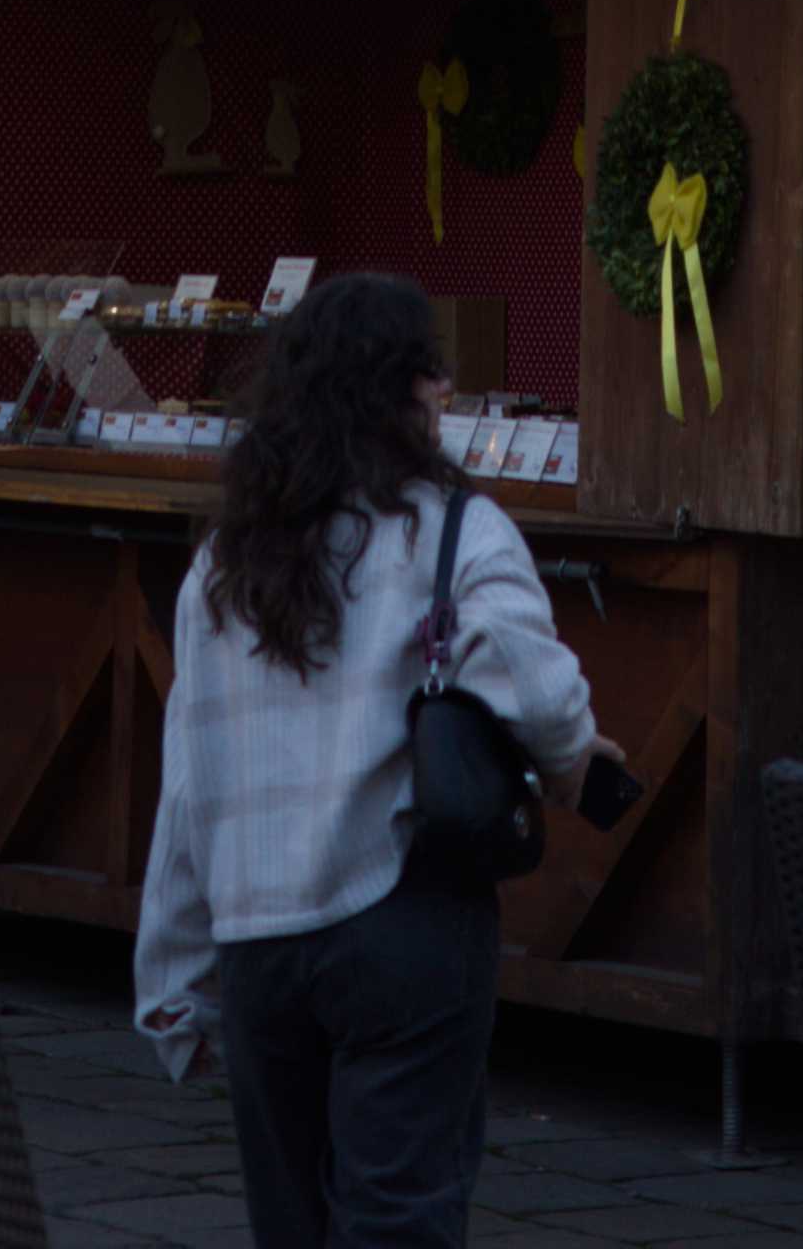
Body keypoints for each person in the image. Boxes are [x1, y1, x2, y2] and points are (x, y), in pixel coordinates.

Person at [136, 270, 610, 1249]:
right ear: (403, 389)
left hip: (255, 937)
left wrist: (171, 978)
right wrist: (572, 764)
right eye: (430, 374)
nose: (443, 393)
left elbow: (188, 784)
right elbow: (544, 691)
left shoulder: (221, 563)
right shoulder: (454, 531)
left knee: (292, 1227)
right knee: (399, 1218)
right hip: (402, 919)